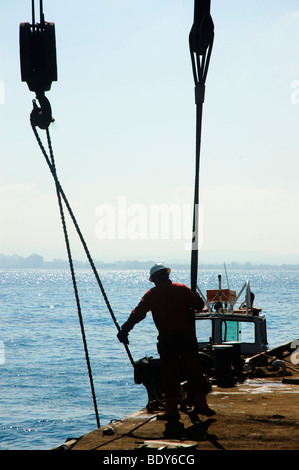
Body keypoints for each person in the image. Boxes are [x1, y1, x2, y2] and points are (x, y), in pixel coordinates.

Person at [117, 263, 215, 420]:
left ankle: (171, 410)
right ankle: (202, 405)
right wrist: (194, 297)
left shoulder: (152, 294)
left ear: (155, 278)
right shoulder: (182, 289)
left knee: (169, 374)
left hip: (168, 340)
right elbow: (199, 306)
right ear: (167, 275)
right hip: (188, 338)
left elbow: (138, 313)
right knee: (194, 371)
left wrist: (124, 330)